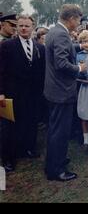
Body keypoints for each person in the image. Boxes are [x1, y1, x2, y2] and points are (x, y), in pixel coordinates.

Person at [44, 4, 88, 182]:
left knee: (54, 129)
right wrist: (79, 67)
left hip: (53, 89)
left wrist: (79, 46)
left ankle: (53, 161)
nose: (78, 24)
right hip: (62, 91)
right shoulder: (62, 34)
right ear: (71, 19)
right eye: (78, 20)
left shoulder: (54, 31)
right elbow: (61, 63)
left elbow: (64, 49)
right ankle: (57, 170)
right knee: (60, 131)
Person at [0, 15, 45, 172]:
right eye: (21, 26)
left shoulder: (40, 48)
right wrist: (1, 93)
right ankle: (8, 159)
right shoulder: (7, 46)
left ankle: (28, 149)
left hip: (33, 94)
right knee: (10, 126)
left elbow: (41, 72)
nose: (24, 28)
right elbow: (1, 71)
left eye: (27, 25)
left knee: (31, 122)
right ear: (17, 28)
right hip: (13, 93)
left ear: (32, 27)